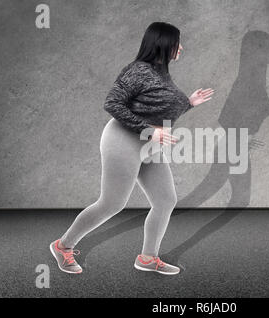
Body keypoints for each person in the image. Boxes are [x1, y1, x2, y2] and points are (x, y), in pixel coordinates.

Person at [50, 22, 214, 275]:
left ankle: (148, 258)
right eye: (177, 42)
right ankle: (63, 246)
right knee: (112, 203)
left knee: (165, 200)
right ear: (163, 43)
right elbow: (112, 103)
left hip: (149, 143)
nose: (181, 47)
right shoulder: (138, 70)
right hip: (122, 139)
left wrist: (189, 103)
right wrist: (149, 130)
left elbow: (159, 107)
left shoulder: (161, 73)